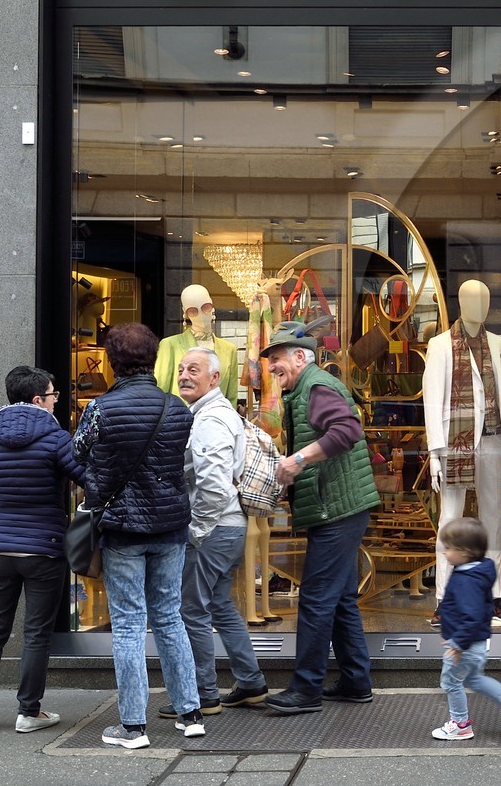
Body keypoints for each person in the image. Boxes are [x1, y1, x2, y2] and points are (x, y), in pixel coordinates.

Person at [72, 322, 199, 749]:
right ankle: (191, 713)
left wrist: (95, 482)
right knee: (169, 616)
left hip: (123, 528)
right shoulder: (178, 408)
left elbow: (77, 453)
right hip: (171, 525)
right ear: (153, 360)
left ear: (112, 362)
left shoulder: (100, 409)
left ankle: (133, 727)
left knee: (128, 624)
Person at [261, 320, 380, 715]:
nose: (272, 367)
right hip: (340, 505)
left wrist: (297, 460)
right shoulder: (306, 388)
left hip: (337, 509)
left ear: (300, 356)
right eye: (270, 361)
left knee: (315, 599)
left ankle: (306, 689)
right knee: (342, 597)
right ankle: (356, 681)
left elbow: (346, 431)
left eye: (277, 359)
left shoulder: (316, 387)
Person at [0, 366, 86, 733]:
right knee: (36, 634)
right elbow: (90, 478)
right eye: (53, 396)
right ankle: (28, 713)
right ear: (38, 400)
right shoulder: (56, 440)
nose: (56, 402)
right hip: (43, 550)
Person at [166, 346, 266, 720]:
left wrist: (197, 530)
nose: (183, 375)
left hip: (214, 529)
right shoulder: (211, 414)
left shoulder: (209, 419)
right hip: (228, 527)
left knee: (191, 610)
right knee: (221, 606)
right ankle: (251, 683)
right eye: (180, 369)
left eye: (193, 369)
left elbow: (215, 485)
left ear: (214, 378)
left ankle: (203, 695)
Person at [432, 516, 501, 741]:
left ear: (465, 551)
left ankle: (460, 724)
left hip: (464, 645)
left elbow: (471, 616)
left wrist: (457, 643)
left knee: (450, 681)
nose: (445, 553)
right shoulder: (476, 572)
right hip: (476, 642)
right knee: (474, 679)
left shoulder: (466, 580)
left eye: (449, 548)